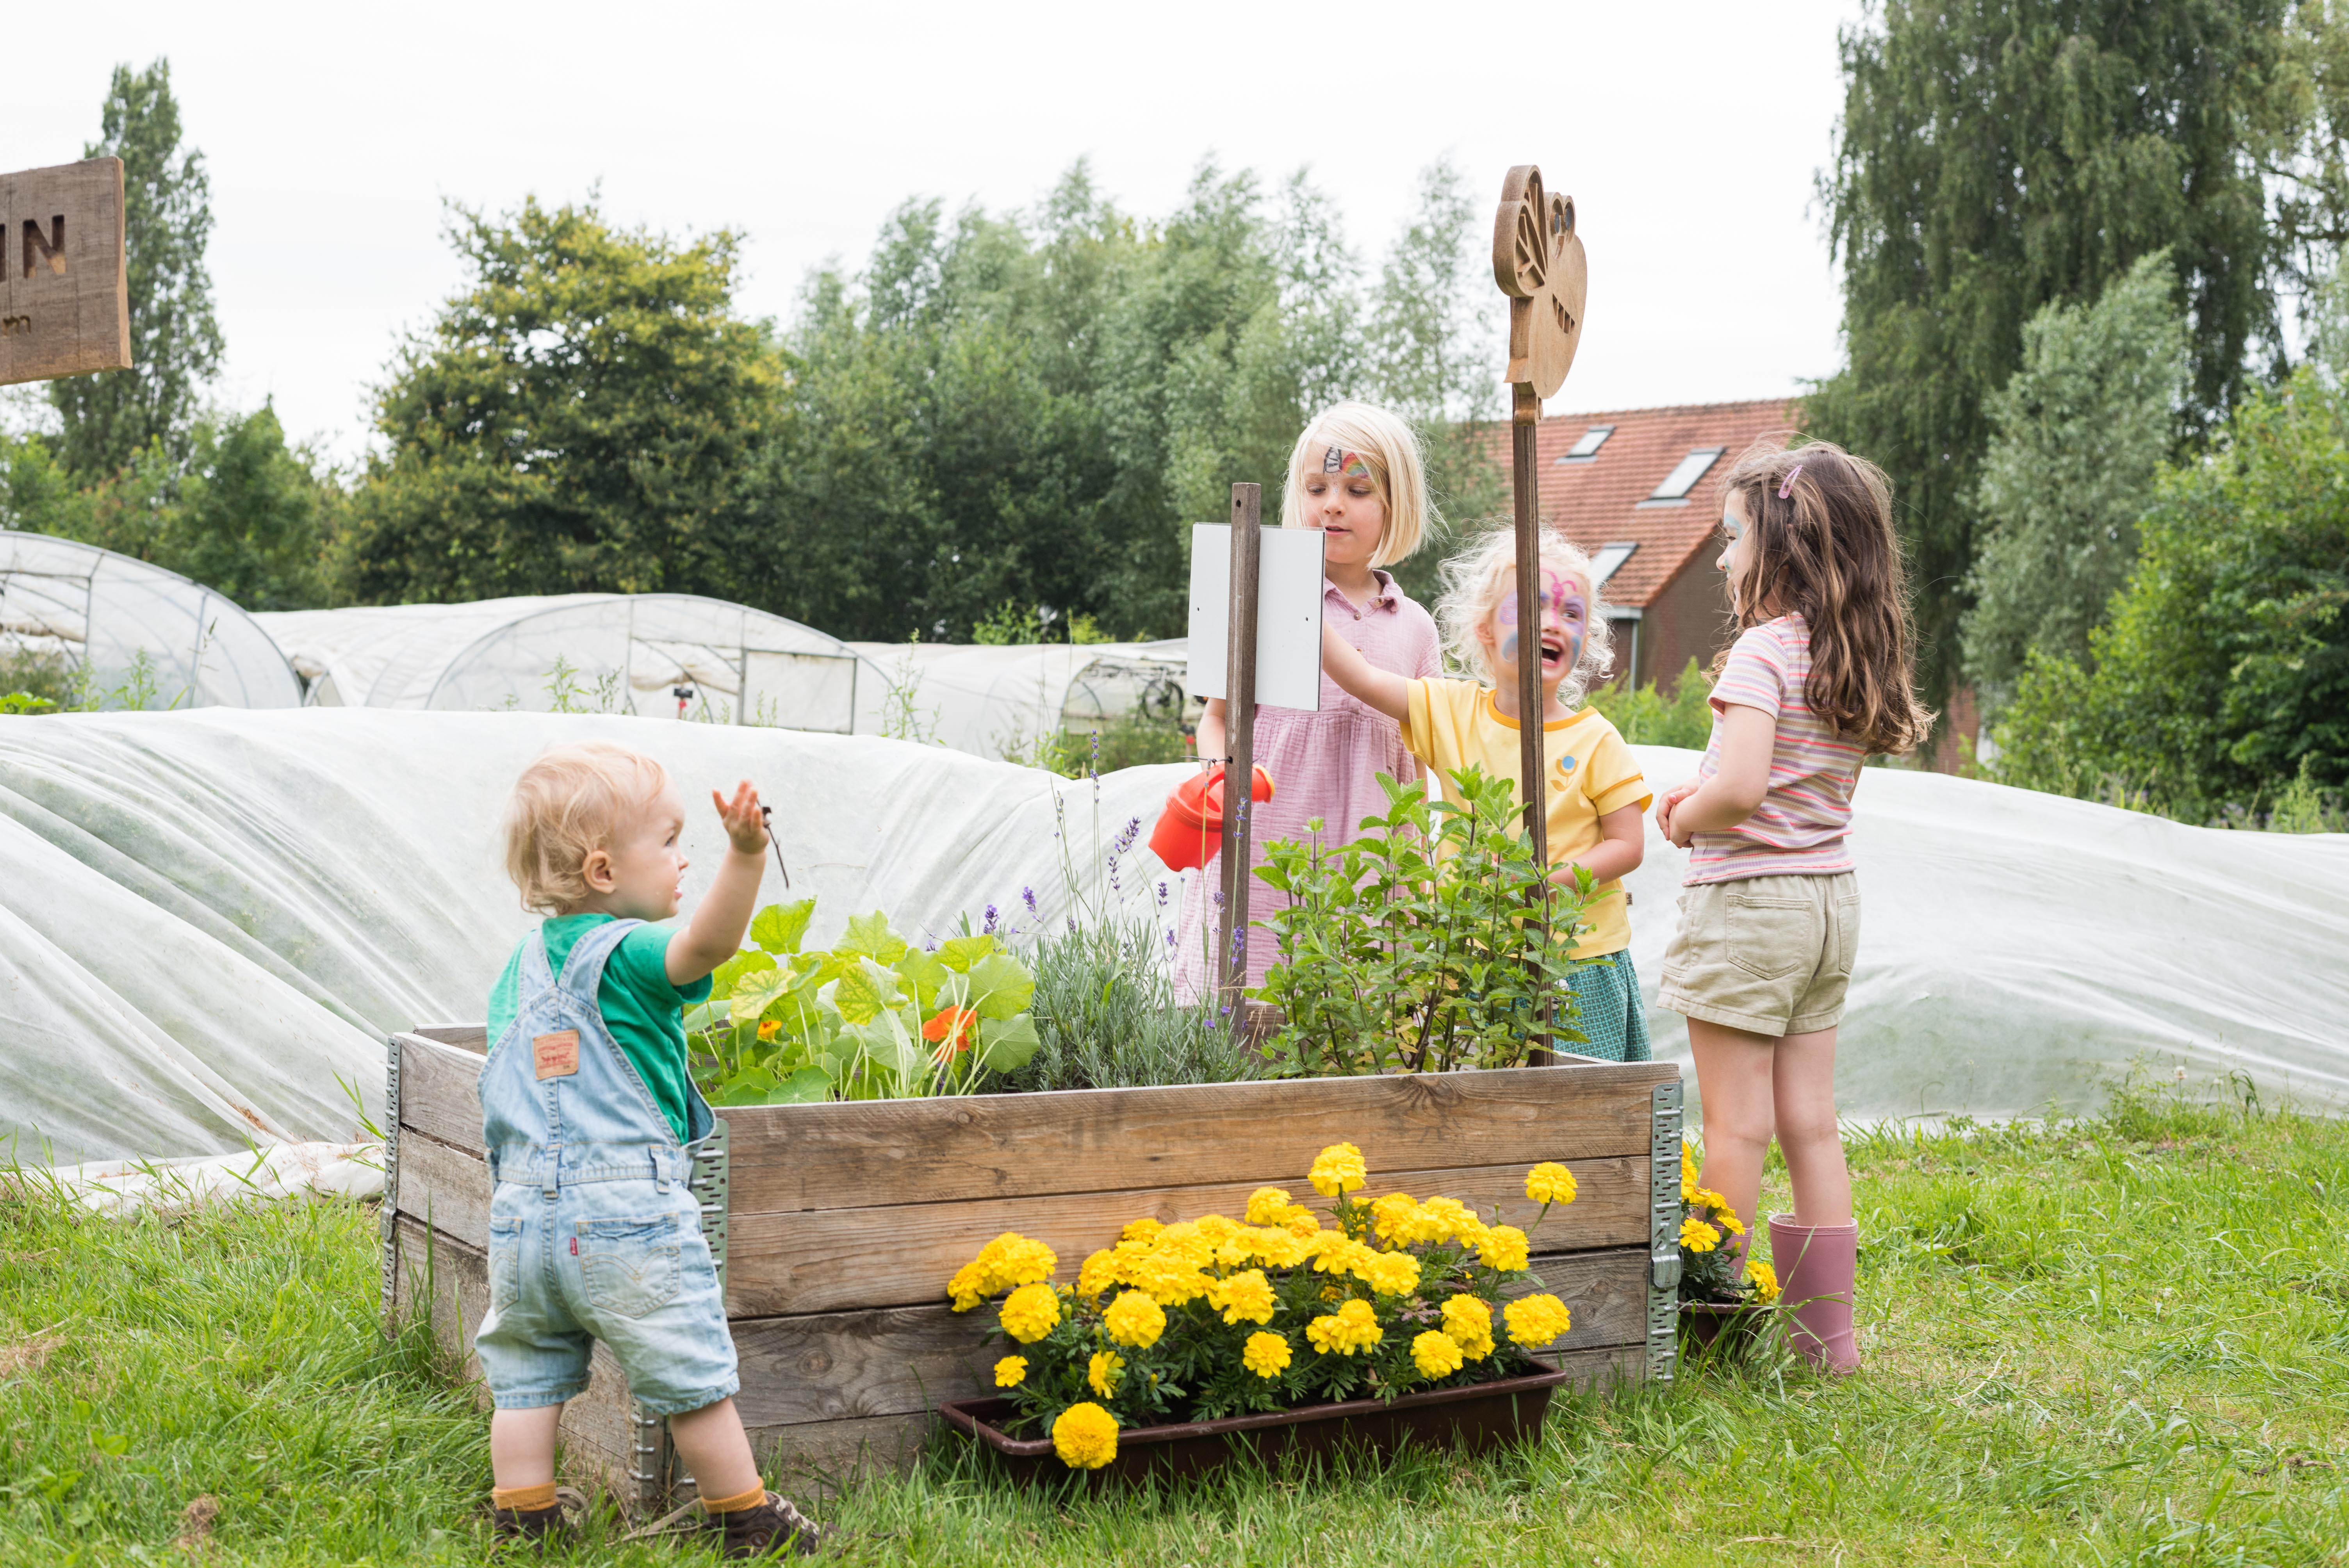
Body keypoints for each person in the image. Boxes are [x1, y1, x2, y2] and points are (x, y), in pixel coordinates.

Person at [477, 741, 821, 1557]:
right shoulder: (626, 953)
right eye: (667, 843)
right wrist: (745, 855)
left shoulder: (515, 975)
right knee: (687, 1371)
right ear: (602, 871)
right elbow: (706, 947)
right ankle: (745, 1515)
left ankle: (522, 1515)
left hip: (523, 1220)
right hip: (626, 1212)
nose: (681, 859)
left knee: (526, 1375)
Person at [1652, 439, 1932, 1372]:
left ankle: (1709, 1336)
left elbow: (1736, 789)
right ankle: (1828, 1342)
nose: (1724, 558)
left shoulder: (1761, 655)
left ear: (1778, 545)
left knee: (1733, 1125)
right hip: (1826, 906)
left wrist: (1683, 815)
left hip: (1748, 908)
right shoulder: (1851, 656)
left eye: (1731, 537)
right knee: (1808, 1121)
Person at [1317, 526, 1653, 1060]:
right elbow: (1360, 677)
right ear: (1485, 631)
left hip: (1576, 961)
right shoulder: (1454, 712)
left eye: (1572, 614)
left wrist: (1543, 885)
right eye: (1534, 607)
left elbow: (1628, 845)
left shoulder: (1595, 739)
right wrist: (1301, 602)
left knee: (1579, 1113)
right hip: (1474, 961)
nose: (1553, 623)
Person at [1173, 402, 1442, 1004]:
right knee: (1241, 1014)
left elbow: (1422, 761)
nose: (1333, 503)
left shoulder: (1416, 629)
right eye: (1317, 487)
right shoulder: (1262, 593)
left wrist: (1423, 868)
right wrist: (1221, 778)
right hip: (1266, 851)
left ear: (1395, 504)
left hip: (1369, 874)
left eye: (1357, 488)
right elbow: (1215, 719)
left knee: (1353, 1028)